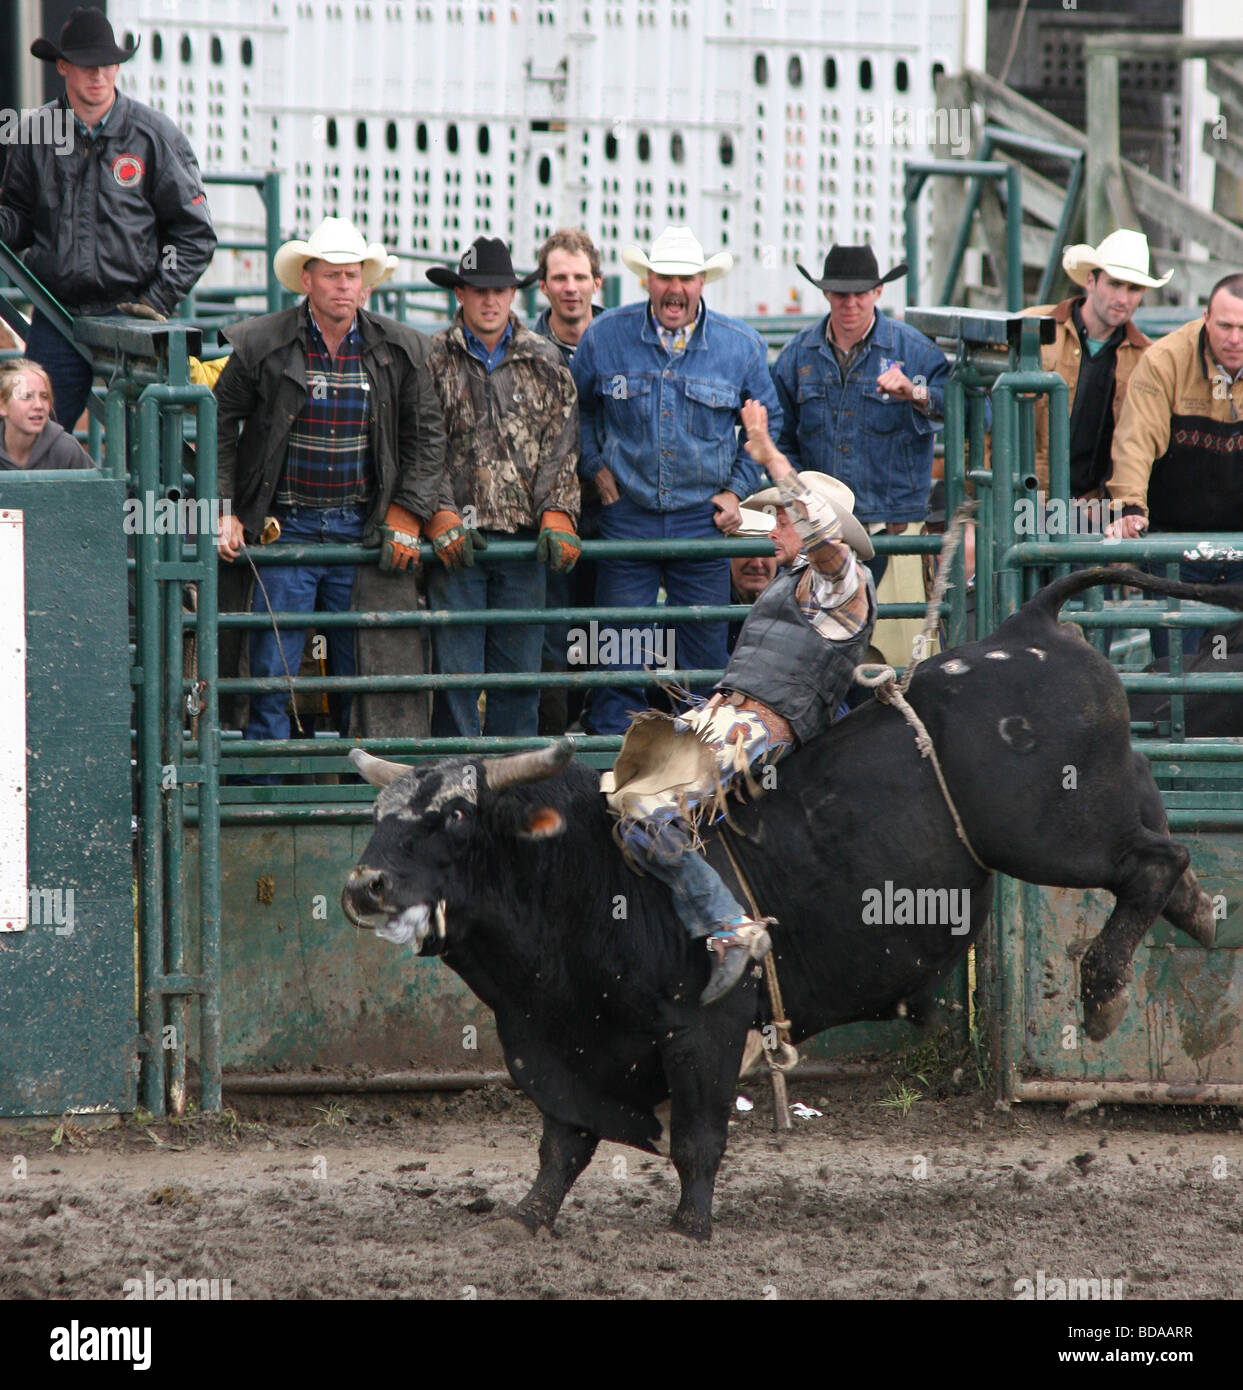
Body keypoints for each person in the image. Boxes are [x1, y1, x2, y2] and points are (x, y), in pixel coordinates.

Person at [602, 400, 877, 1004]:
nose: (773, 528)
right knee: (615, 795)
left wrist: (770, 454)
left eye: (782, 518)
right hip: (723, 718)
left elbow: (823, 540)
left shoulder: (843, 583)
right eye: (776, 517)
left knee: (646, 816)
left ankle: (730, 928)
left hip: (756, 726)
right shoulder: (794, 582)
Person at [215, 217, 447, 748]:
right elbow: (220, 423)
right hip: (285, 527)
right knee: (272, 669)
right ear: (308, 281)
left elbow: (428, 438)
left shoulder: (402, 348)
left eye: (352, 275)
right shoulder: (261, 344)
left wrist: (407, 511)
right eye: (333, 275)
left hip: (360, 528)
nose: (344, 286)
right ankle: (267, 785)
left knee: (361, 673)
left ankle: (352, 784)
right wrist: (224, 507)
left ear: (365, 283)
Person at [571, 225, 781, 735]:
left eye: (686, 278)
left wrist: (735, 489)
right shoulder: (604, 337)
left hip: (701, 520)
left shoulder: (741, 347)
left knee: (705, 654)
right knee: (618, 649)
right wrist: (594, 466)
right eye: (664, 277)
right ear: (647, 280)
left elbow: (765, 422)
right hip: (628, 515)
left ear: (702, 283)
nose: (675, 289)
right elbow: (573, 411)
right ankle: (612, 757)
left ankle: (699, 766)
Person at [0, 7, 217, 428]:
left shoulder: (155, 134)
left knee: (149, 446)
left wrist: (155, 298)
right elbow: (19, 218)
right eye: (86, 65)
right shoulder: (33, 135)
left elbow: (194, 233)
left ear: (118, 67)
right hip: (57, 311)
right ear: (63, 67)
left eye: (107, 64)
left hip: (130, 315)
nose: (98, 75)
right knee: (31, 436)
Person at [424, 237, 581, 739]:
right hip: (456, 546)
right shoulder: (431, 360)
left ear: (514, 294)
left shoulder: (546, 361)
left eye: (499, 290)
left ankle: (514, 787)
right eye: (477, 290)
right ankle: (459, 786)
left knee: (520, 677)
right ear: (460, 295)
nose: (489, 300)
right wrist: (440, 512)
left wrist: (558, 512)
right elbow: (424, 446)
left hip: (523, 545)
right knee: (456, 676)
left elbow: (563, 446)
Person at [771, 243, 949, 589]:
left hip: (890, 528)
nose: (850, 303)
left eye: (860, 293)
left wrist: (916, 393)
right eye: (840, 294)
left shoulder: (916, 352)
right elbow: (780, 438)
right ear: (826, 294)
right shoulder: (796, 356)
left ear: (877, 292)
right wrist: (802, 494)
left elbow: (974, 413)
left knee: (880, 638)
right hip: (822, 529)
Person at [1108, 271, 1243, 655]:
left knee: (1233, 679)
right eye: (1225, 326)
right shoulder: (1165, 360)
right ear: (1205, 319)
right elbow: (1136, 439)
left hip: (1240, 545)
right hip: (1176, 548)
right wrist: (1130, 507)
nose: (1235, 338)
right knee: (1179, 675)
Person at [1025, 229, 1167, 504]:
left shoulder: (1148, 359)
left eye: (1134, 288)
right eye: (1115, 284)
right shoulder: (1030, 329)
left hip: (1093, 507)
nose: (1123, 299)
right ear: (1091, 280)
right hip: (1021, 496)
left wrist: (1105, 503)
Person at [533, 228, 605, 734]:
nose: (571, 287)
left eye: (580, 277)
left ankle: (607, 742)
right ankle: (554, 749)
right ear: (544, 286)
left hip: (612, 511)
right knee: (553, 636)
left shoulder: (623, 340)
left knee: (610, 634)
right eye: (560, 277)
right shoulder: (524, 348)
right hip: (548, 514)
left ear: (597, 282)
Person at [0, 359, 93, 470]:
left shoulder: (67, 449)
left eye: (44, 396)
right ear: (2, 405)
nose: (39, 405)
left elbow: (99, 486)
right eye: (26, 396)